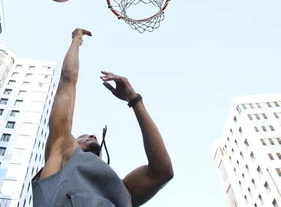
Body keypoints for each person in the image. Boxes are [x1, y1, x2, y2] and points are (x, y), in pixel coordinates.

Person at [32, 28, 174, 206]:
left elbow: (162, 172)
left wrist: (134, 99)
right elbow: (68, 79)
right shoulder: (60, 153)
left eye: (92, 135)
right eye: (83, 136)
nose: (92, 135)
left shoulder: (121, 191)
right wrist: (76, 40)